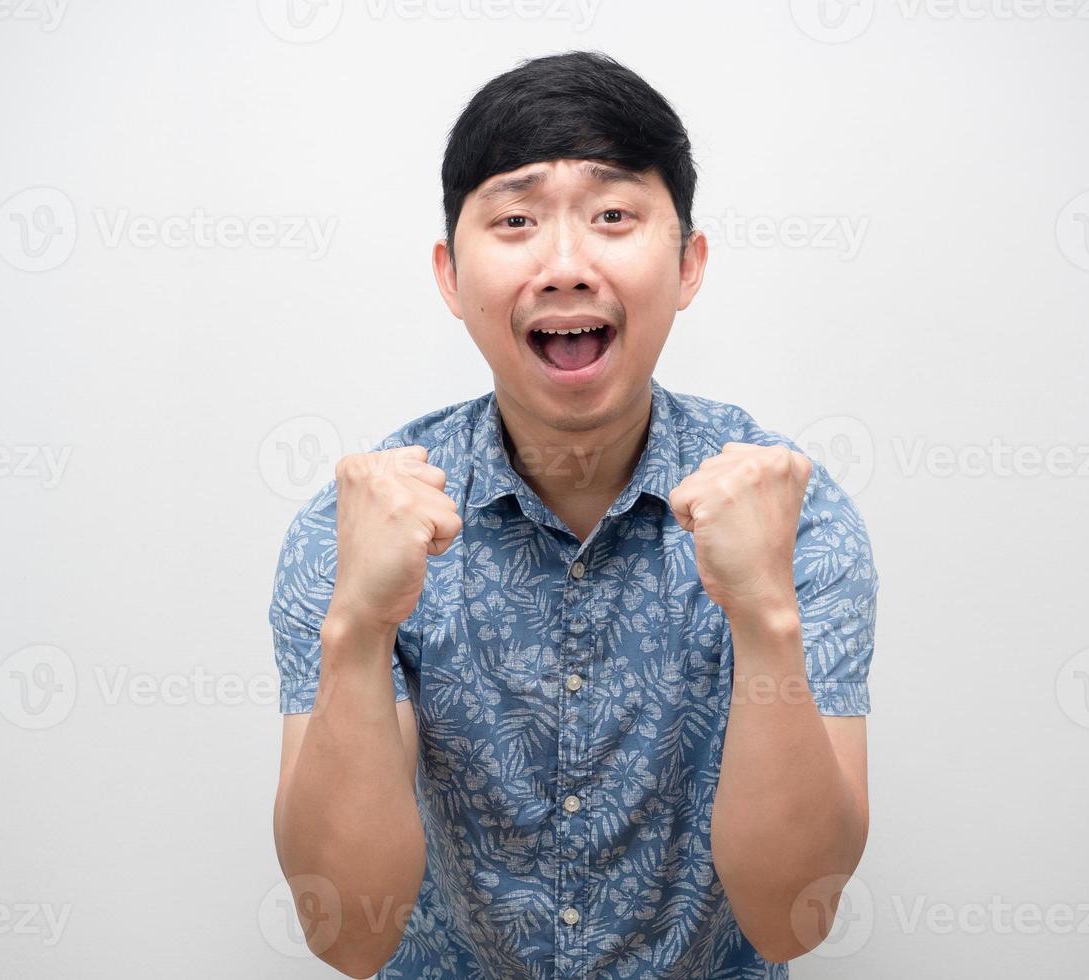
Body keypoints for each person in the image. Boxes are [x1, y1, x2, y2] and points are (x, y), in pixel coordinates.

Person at [269, 49, 879, 980]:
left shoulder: (791, 512)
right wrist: (356, 628)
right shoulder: (354, 525)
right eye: (514, 220)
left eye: (613, 217)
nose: (564, 264)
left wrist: (763, 615)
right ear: (448, 274)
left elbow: (791, 918)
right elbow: (349, 935)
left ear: (687, 265)